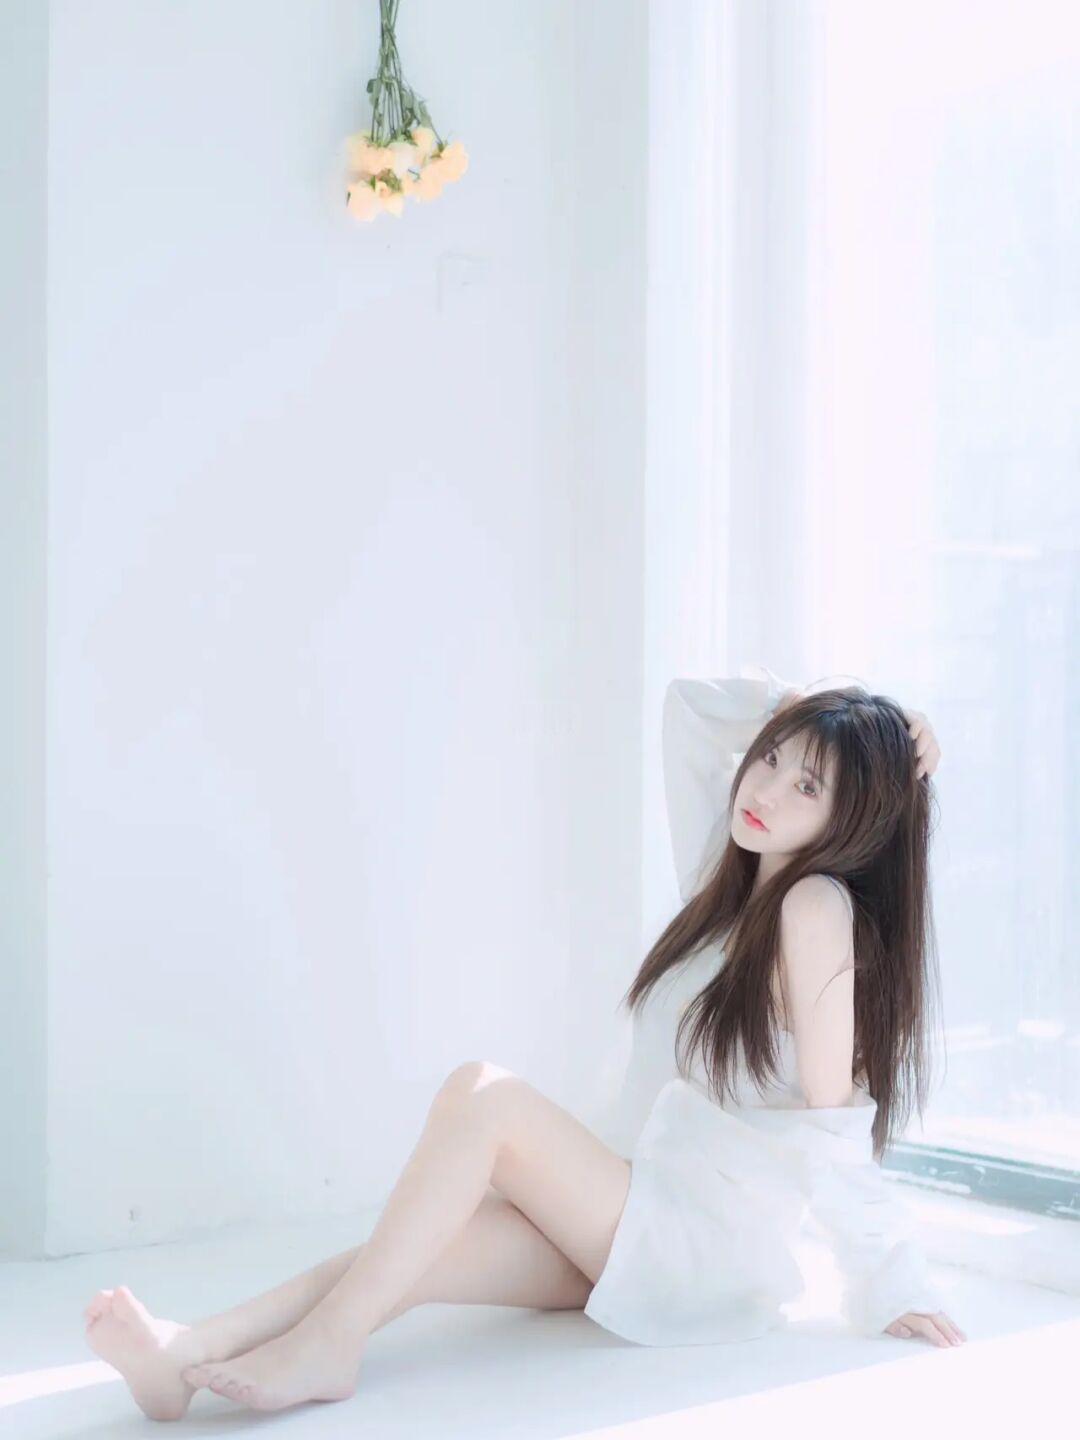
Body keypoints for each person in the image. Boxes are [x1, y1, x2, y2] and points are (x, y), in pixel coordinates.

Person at [82, 663, 965, 1418]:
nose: (763, 790)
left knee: (485, 1096)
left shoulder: (814, 906)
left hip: (698, 1246)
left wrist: (890, 1278)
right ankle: (185, 1352)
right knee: (409, 1250)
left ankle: (329, 1348)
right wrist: (810, 707)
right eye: (770, 758)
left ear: (855, 820)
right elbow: (691, 708)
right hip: (630, 1209)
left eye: (808, 787)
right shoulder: (731, 882)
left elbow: (829, 1122)